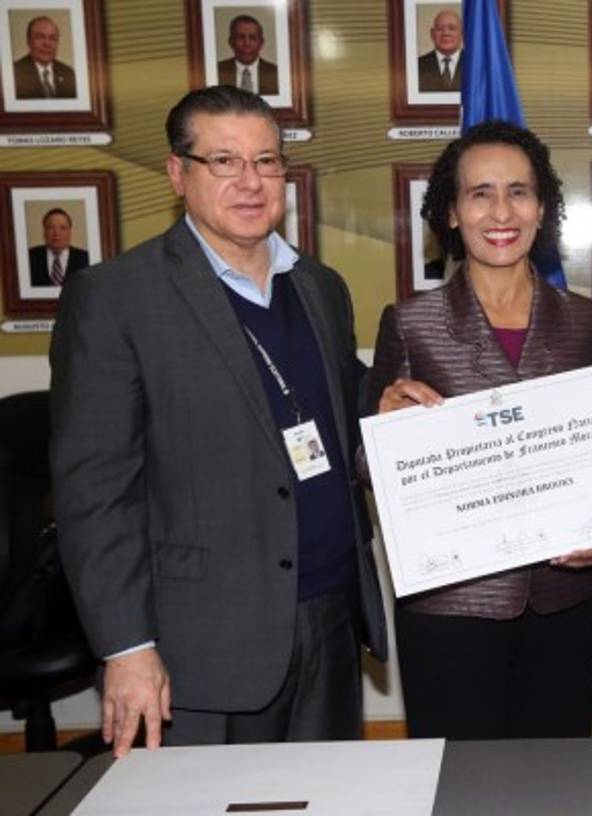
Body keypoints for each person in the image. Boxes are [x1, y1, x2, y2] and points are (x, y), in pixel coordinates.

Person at [50, 85, 387, 757]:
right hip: (201, 644)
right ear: (179, 173)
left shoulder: (319, 286)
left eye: (266, 161)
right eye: (224, 161)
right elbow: (95, 492)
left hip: (330, 617)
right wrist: (127, 647)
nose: (250, 182)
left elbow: (341, 407)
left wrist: (392, 403)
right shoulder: (116, 298)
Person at [367, 120, 592, 740]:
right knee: (458, 782)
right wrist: (384, 434)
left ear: (542, 207)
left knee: (556, 779)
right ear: (450, 212)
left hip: (564, 598)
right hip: (452, 603)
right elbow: (364, 465)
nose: (500, 211)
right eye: (480, 193)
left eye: (519, 192)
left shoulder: (585, 322)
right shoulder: (410, 322)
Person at [13, 16, 77, 100]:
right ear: (28, 41)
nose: (47, 44)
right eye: (40, 37)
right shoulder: (14, 73)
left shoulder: (68, 74)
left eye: (52, 38)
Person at [217, 15, 278, 95]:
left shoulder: (276, 74)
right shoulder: (217, 71)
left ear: (261, 43)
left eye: (252, 37)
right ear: (231, 42)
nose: (247, 43)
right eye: (240, 37)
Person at [28, 208, 89, 287]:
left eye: (63, 228)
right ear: (44, 231)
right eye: (51, 228)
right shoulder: (29, 257)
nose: (57, 233)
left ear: (70, 232)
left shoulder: (85, 258)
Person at [417, 9, 462, 93]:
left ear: (462, 34)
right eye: (440, 29)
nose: (446, 33)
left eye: (452, 28)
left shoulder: (475, 65)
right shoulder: (417, 65)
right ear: (432, 34)